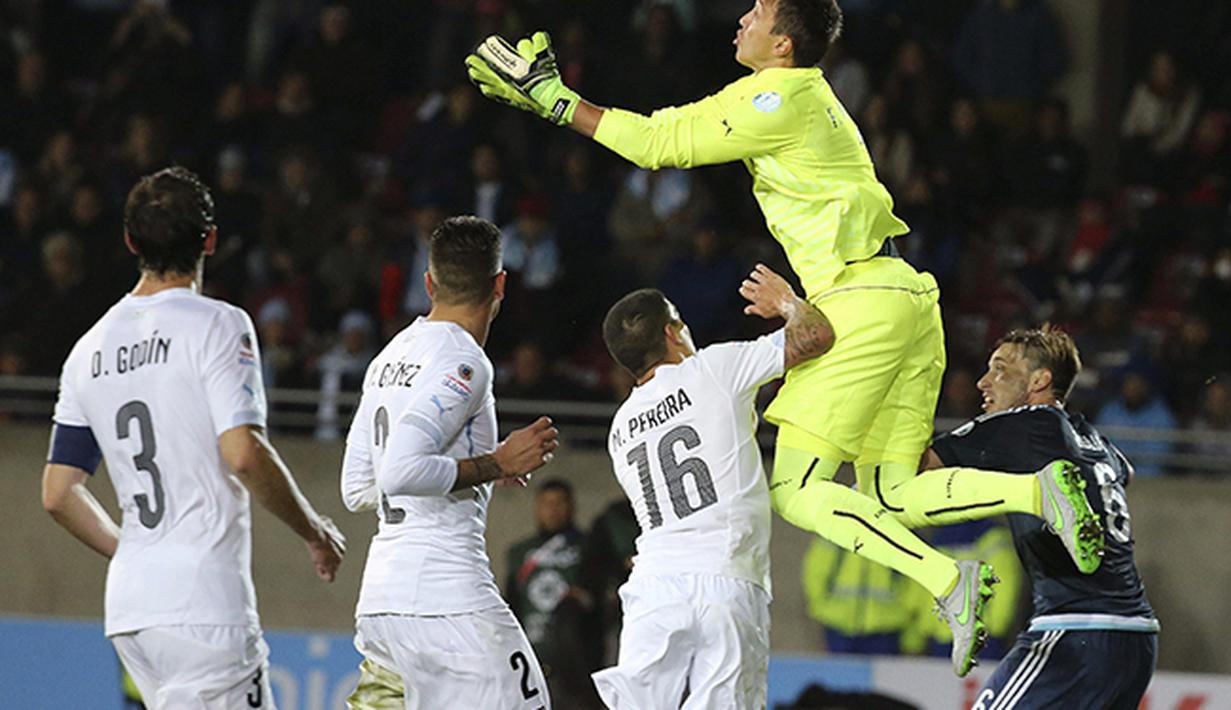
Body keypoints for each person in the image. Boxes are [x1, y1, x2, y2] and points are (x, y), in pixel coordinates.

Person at [468, 0, 1101, 675]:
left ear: (782, 42)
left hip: (855, 301)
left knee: (797, 490)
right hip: (902, 296)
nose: (741, 17)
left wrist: (556, 101)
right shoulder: (806, 97)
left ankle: (951, 582)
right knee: (891, 492)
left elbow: (661, 143)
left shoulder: (776, 95)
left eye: (757, 11)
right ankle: (1038, 494)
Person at [40, 166, 345, 709]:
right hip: (204, 604)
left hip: (133, 608)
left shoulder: (87, 349)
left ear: (130, 241)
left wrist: (133, 551)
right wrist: (314, 529)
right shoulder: (218, 325)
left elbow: (59, 492)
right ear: (210, 240)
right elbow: (244, 454)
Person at [340, 215, 561, 709]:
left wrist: (465, 464)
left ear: (429, 282)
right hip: (446, 602)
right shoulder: (464, 361)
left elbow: (358, 487)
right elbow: (401, 471)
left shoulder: (389, 357)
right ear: (500, 283)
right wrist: (495, 464)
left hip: (381, 607)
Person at [592, 264, 836, 708]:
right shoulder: (713, 369)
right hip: (725, 576)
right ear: (674, 331)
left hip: (654, 586)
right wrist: (786, 302)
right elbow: (816, 336)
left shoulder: (620, 427)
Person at [925, 325, 1158, 710]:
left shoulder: (1025, 424)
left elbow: (921, 466)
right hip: (1135, 638)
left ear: (1040, 380)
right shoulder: (1089, 435)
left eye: (1000, 369)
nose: (984, 382)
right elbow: (1124, 472)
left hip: (1076, 631)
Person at [505, 479, 586, 701]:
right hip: (531, 662)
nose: (553, 510)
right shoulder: (518, 553)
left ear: (572, 506)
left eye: (560, 503)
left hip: (577, 665)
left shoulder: (589, 547)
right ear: (537, 507)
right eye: (547, 503)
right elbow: (510, 604)